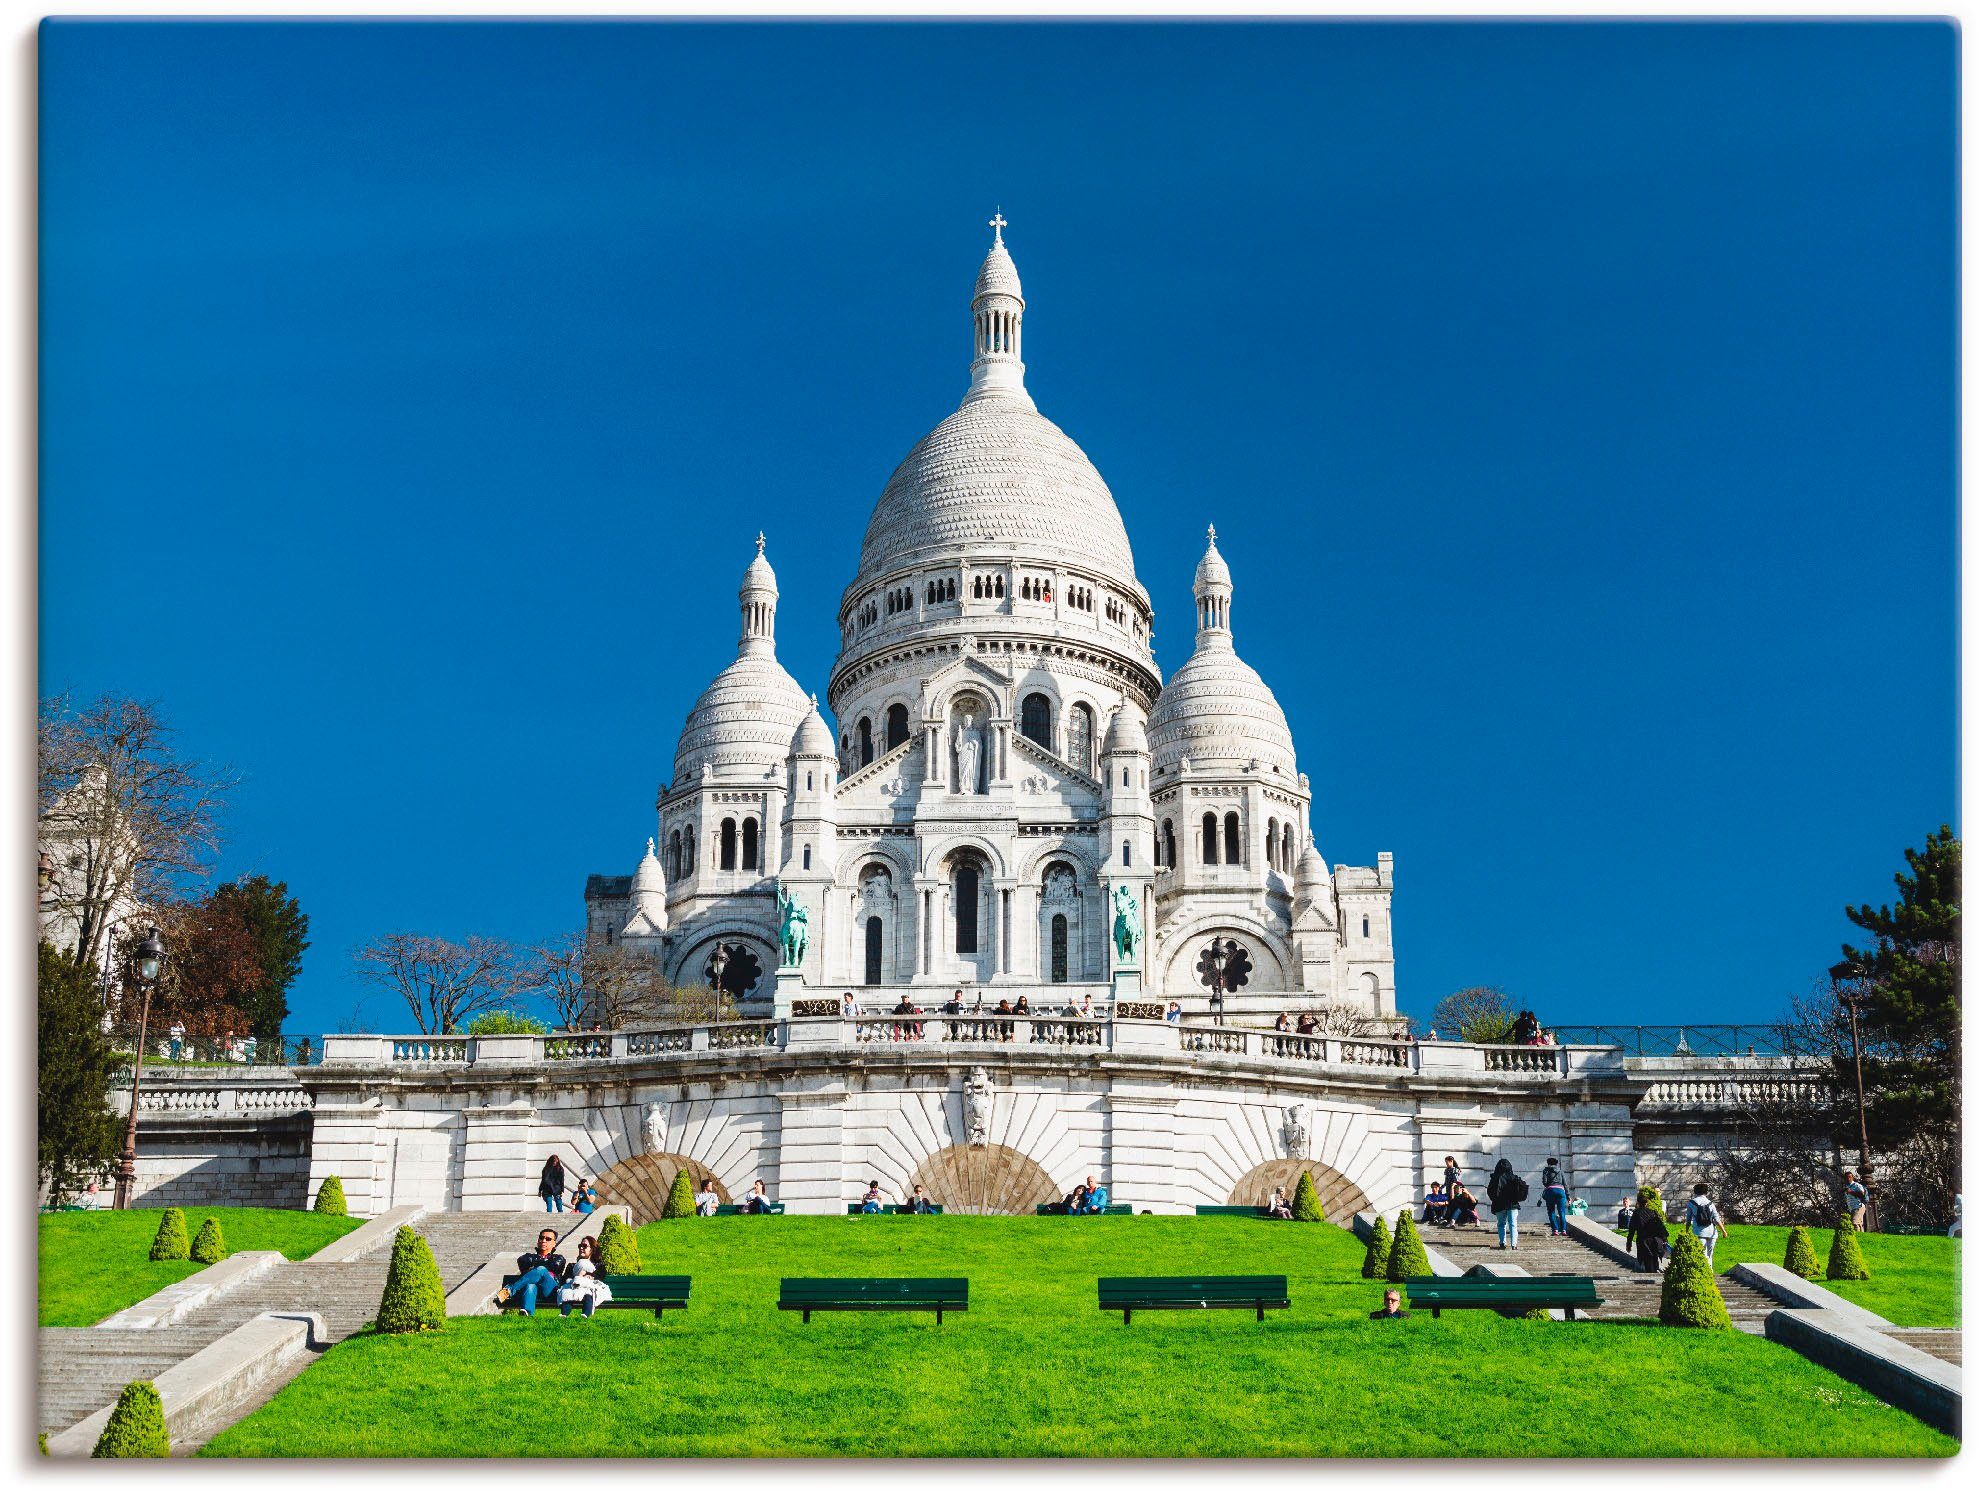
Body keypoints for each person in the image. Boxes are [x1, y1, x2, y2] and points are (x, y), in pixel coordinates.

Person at [495, 1227, 567, 1316]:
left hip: (550, 1291)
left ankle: (510, 1290)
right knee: (530, 1285)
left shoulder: (558, 1258)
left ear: (554, 1243)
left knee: (541, 1269)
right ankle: (527, 1313)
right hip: (533, 1291)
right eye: (541, 1238)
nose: (543, 1241)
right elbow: (522, 1262)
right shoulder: (528, 1257)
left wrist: (536, 1267)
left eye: (548, 1239)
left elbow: (555, 1266)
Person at [557, 1235, 613, 1318]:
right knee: (567, 1293)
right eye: (580, 1246)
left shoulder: (599, 1266)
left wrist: (589, 1276)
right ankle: (564, 1314)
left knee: (589, 1293)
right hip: (574, 1289)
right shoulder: (572, 1266)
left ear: (592, 1249)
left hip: (588, 1288)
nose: (581, 1248)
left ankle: (585, 1314)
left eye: (584, 1246)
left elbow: (600, 1276)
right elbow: (565, 1279)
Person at [1487, 1158, 1527, 1250]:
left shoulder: (1494, 1178)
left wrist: (1495, 1199)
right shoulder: (1513, 1177)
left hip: (1499, 1204)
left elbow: (1490, 1191)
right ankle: (1514, 1244)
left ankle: (1502, 1242)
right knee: (1513, 1223)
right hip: (1512, 1204)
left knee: (1501, 1224)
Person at [1686, 1183, 1722, 1264]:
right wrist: (1724, 1231)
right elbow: (1716, 1219)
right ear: (1706, 1192)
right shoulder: (1710, 1203)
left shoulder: (1691, 1203)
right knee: (1710, 1255)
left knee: (1702, 1254)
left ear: (1695, 1191)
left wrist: (1687, 1231)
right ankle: (1710, 1273)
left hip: (1699, 1232)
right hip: (1712, 1232)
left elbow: (1688, 1219)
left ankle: (1704, 1273)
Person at [1632, 1201, 1669, 1272]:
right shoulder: (1653, 1212)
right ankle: (1654, 1271)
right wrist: (1664, 1239)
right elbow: (1660, 1226)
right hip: (1655, 1240)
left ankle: (1651, 1273)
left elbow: (1632, 1229)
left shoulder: (1637, 1214)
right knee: (1653, 1258)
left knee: (1648, 1260)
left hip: (1644, 1241)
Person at [1540, 1157, 1569, 1237]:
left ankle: (1555, 1230)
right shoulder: (1560, 1171)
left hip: (1550, 1191)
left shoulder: (1546, 1170)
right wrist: (1568, 1197)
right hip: (1560, 1191)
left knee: (1551, 1212)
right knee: (1562, 1212)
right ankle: (1563, 1230)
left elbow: (1545, 1182)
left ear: (1548, 1163)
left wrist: (1549, 1184)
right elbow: (1565, 1184)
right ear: (1556, 1164)